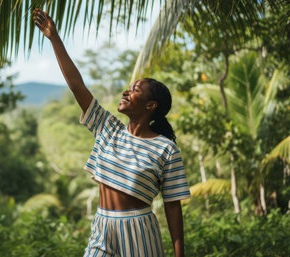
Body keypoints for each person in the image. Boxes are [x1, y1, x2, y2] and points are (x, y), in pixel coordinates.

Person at [33, 8, 191, 257]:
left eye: (135, 90)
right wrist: (55, 39)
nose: (126, 92)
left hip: (139, 229)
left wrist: (179, 254)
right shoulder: (108, 129)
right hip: (102, 226)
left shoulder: (165, 149)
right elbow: (77, 86)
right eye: (128, 88)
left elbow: (172, 204)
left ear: (151, 106)